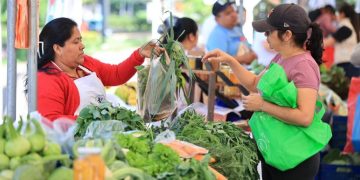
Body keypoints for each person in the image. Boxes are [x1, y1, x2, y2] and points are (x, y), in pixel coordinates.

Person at [203, 4, 325, 179]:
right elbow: (254, 83)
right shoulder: (281, 57)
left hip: (296, 158)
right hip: (276, 151)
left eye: (269, 32)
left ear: (287, 35)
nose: (265, 36)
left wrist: (262, 105)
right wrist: (229, 60)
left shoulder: (304, 66)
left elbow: (305, 117)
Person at [34, 17, 163, 121]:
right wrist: (94, 121)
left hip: (100, 138)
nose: (82, 46)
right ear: (57, 48)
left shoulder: (85, 63)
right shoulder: (47, 78)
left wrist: (139, 54)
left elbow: (116, 74)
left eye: (81, 40)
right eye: (76, 42)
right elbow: (50, 120)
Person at [206, 0, 257, 65]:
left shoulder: (237, 29)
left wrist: (252, 53)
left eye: (234, 11)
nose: (234, 15)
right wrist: (243, 58)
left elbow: (246, 44)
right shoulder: (217, 35)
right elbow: (217, 60)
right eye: (228, 13)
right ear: (217, 19)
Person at [324, 3, 360, 78]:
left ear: (342, 14)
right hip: (350, 64)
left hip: (347, 65)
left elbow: (328, 42)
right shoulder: (351, 26)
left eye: (338, 13)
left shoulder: (345, 28)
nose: (337, 16)